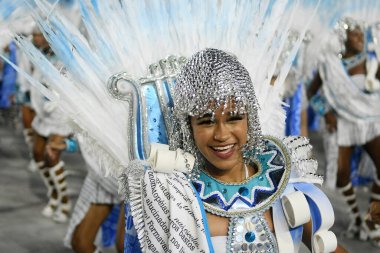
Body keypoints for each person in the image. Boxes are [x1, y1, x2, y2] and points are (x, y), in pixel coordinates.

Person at [122, 48, 347, 253]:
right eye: (206, 122)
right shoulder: (174, 197)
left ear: (250, 119)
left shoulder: (282, 182)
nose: (222, 135)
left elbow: (328, 247)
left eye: (235, 118)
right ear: (188, 126)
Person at [307, 17, 380, 246]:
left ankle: (372, 220)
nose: (360, 38)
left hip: (369, 122)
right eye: (355, 34)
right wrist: (326, 112)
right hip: (342, 125)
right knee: (341, 174)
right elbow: (312, 92)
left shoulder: (371, 62)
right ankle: (357, 219)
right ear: (343, 38)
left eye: (361, 34)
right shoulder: (329, 64)